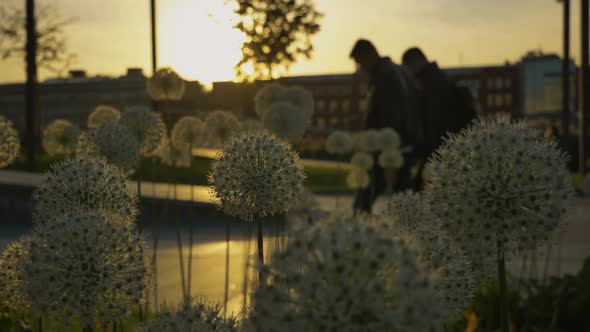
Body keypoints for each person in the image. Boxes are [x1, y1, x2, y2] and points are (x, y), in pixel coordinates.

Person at [349, 39, 421, 213]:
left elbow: (389, 112)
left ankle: (358, 224)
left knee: (373, 184)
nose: (361, 68)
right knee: (401, 189)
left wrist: (377, 142)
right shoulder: (395, 71)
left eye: (360, 62)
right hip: (402, 141)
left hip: (389, 143)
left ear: (370, 54)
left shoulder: (385, 74)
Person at [402, 47, 476, 190]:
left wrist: (419, 149)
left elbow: (434, 124)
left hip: (440, 152)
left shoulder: (430, 83)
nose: (409, 75)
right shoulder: (439, 77)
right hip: (449, 149)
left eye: (407, 69)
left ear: (414, 63)